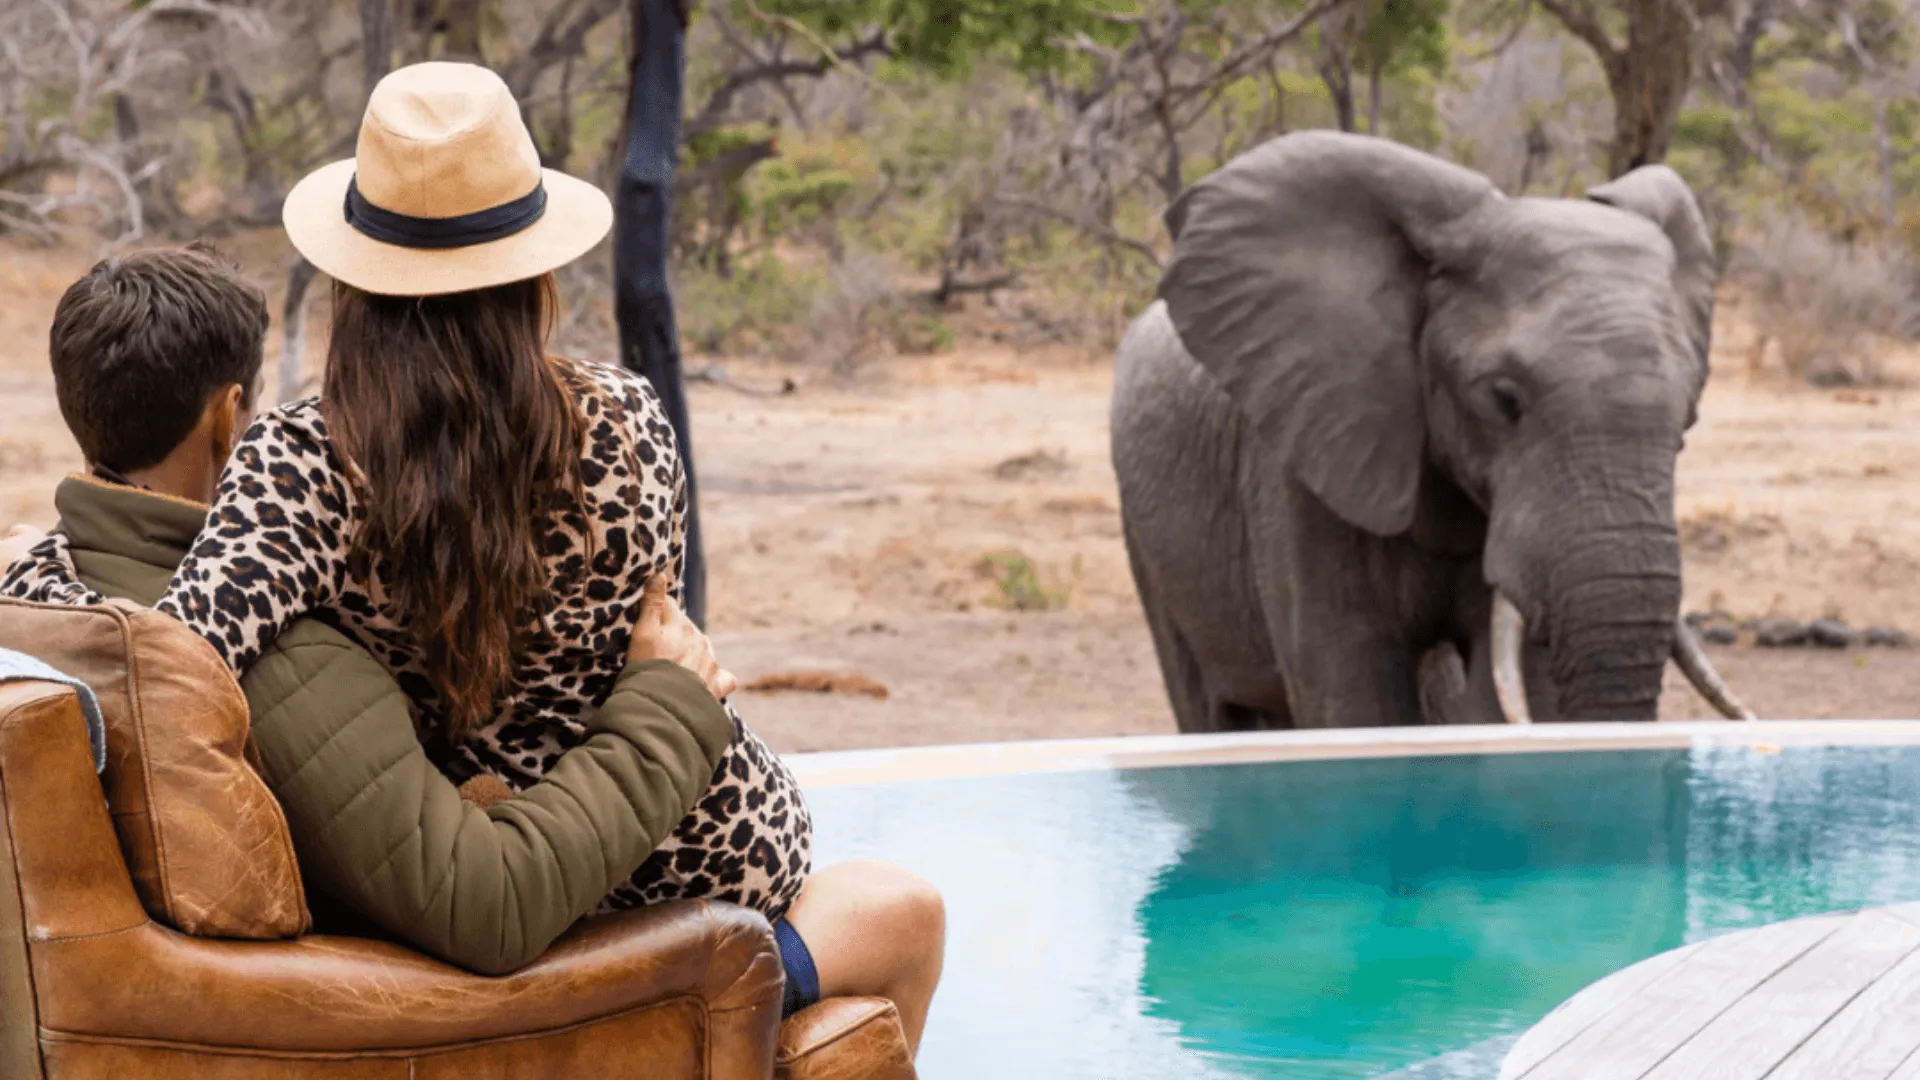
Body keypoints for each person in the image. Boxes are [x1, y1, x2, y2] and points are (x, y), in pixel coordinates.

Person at [4, 65, 943, 1045]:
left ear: (355, 281)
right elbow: (652, 634)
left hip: (540, 851)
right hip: (699, 851)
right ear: (535, 273)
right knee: (891, 911)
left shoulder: (298, 466)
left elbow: (175, 652)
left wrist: (43, 571)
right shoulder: (630, 423)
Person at [1, 245, 741, 974]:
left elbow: (160, 640)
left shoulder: (57, 590)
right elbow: (489, 901)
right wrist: (668, 710)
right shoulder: (290, 656)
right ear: (231, 418)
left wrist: (35, 578)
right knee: (856, 912)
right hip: (625, 891)